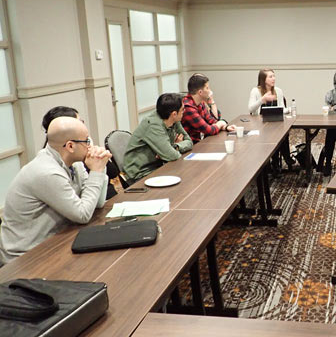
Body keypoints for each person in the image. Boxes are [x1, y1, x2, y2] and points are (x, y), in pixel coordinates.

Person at [0, 117, 111, 264]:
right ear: (70, 146)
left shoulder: (74, 163)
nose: (90, 146)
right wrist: (96, 171)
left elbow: (96, 203)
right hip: (26, 257)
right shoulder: (46, 172)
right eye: (86, 141)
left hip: (58, 238)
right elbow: (82, 215)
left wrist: (99, 167)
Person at [41, 106, 119, 199]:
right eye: (80, 123)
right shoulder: (51, 169)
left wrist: (100, 164)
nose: (84, 127)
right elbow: (81, 209)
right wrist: (96, 169)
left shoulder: (79, 153)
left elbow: (112, 173)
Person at [123, 93, 192, 183]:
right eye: (182, 109)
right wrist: (171, 150)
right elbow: (173, 156)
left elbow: (189, 142)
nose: (184, 111)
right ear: (174, 114)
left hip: (159, 166)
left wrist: (175, 146)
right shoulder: (153, 125)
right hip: (141, 173)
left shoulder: (173, 119)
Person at [248, 68, 295, 171]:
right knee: (269, 136)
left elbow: (282, 108)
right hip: (260, 124)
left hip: (276, 122)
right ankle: (271, 162)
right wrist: (262, 100)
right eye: (270, 77)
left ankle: (278, 162)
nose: (273, 79)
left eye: (274, 76)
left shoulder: (278, 91)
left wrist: (289, 110)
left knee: (283, 133)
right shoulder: (256, 91)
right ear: (263, 79)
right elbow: (251, 108)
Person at [182, 74, 235, 143]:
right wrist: (220, 123)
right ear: (200, 92)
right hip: (190, 146)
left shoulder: (200, 103)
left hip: (199, 142)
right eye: (207, 88)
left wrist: (225, 127)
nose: (210, 91)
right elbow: (209, 130)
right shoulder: (188, 107)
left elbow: (211, 121)